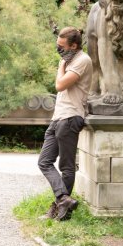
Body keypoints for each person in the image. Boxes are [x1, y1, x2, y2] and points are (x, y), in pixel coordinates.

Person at [38, 27, 92, 221]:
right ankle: (63, 199)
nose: (58, 50)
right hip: (58, 117)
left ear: (74, 46)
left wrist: (61, 65)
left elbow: (60, 85)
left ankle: (61, 211)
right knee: (44, 161)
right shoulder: (69, 60)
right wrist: (63, 62)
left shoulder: (82, 60)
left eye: (62, 47)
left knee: (67, 166)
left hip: (71, 117)